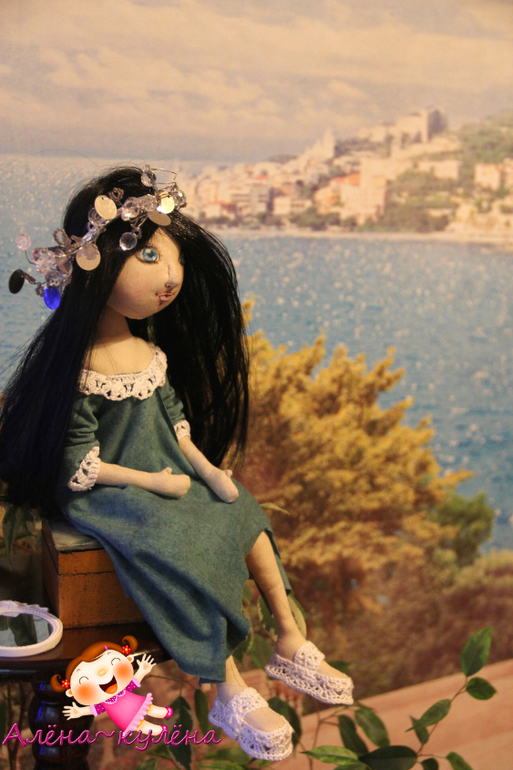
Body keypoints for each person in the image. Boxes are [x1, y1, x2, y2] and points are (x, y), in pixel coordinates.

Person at [0, 166, 353, 761]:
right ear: (97, 265)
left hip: (168, 474)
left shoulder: (149, 353)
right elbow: (81, 463)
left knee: (240, 509)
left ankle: (291, 637)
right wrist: (150, 482)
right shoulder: (82, 367)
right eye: (149, 258)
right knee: (181, 537)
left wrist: (206, 470)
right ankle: (226, 686)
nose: (171, 276)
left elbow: (174, 425)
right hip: (107, 494)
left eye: (175, 259)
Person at [51, 635, 174, 737]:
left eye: (113, 662)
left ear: (128, 659)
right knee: (140, 725)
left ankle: (162, 712)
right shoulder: (103, 704)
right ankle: (158, 730)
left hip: (136, 703)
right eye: (84, 679)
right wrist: (79, 711)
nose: (102, 673)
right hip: (124, 717)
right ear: (71, 692)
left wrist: (142, 670)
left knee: (149, 708)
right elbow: (93, 709)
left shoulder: (123, 688)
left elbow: (134, 682)